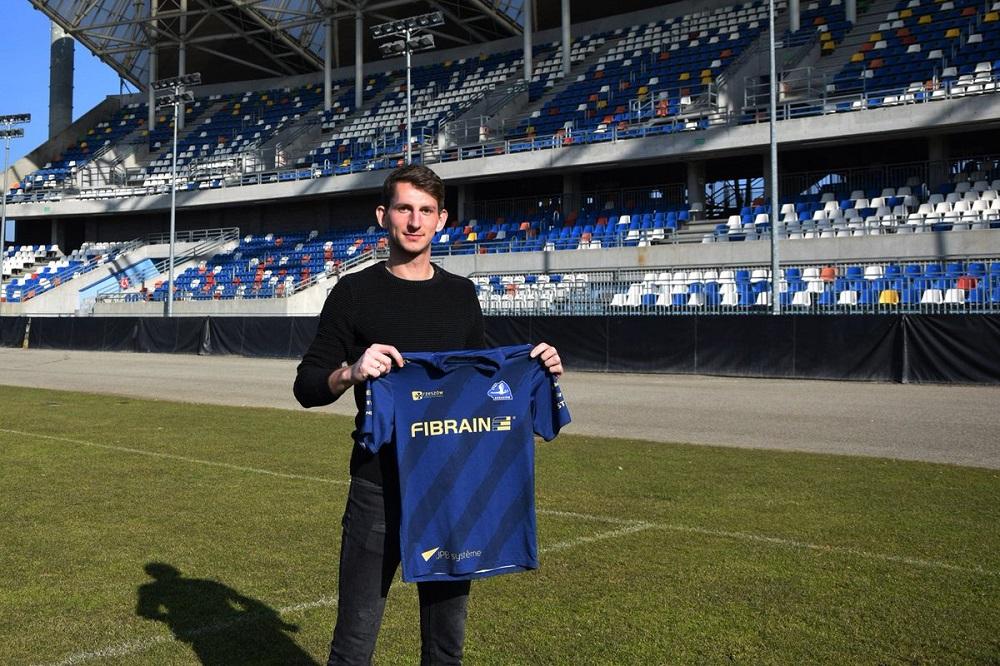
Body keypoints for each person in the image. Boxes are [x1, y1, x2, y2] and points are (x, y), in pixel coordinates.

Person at [293, 164, 562, 666]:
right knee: (353, 645)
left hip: (449, 489)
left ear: (441, 220)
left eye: (426, 210)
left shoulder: (461, 295)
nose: (414, 221)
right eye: (404, 209)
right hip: (378, 488)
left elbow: (480, 386)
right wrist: (351, 371)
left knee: (445, 647)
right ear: (383, 216)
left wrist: (535, 366)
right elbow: (306, 386)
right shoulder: (353, 292)